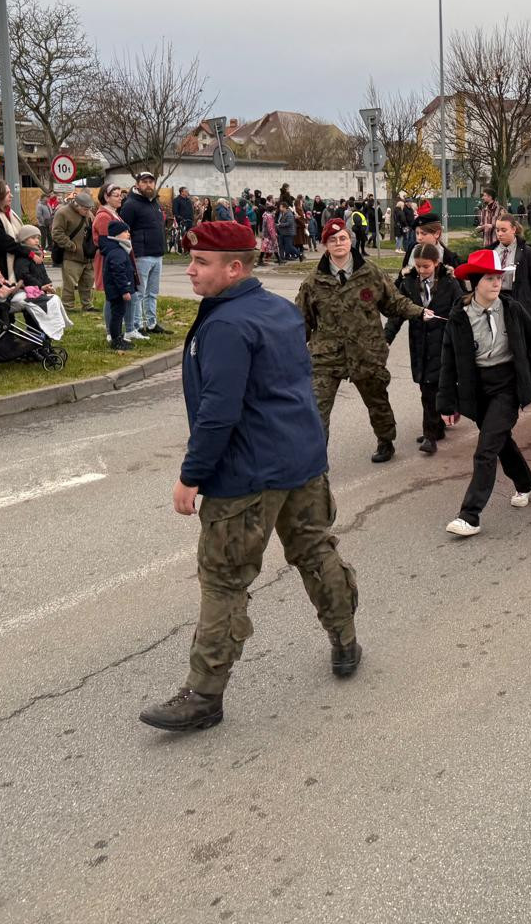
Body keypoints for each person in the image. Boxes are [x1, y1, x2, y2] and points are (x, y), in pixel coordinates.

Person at [139, 220, 361, 733]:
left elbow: (219, 412)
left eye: (201, 263)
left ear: (235, 268)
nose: (190, 271)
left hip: (247, 476)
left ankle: (204, 695)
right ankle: (345, 642)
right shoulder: (278, 309)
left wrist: (190, 477)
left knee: (223, 580)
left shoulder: (226, 326)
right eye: (190, 261)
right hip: (302, 461)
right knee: (316, 551)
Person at [436, 249, 531, 537]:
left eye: (499, 278)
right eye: (491, 278)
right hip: (477, 388)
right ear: (475, 282)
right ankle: (526, 483)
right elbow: (449, 362)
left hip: (507, 385)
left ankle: (470, 515)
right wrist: (446, 403)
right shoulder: (460, 316)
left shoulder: (511, 308)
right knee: (501, 441)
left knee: (486, 449)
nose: (497, 283)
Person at [296, 218, 429, 461]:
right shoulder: (313, 282)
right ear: (325, 244)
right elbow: (301, 322)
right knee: (316, 411)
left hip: (366, 352)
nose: (339, 243)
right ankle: (315, 464)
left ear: (351, 241)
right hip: (327, 357)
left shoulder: (370, 272)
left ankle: (385, 440)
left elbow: (393, 302)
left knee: (377, 401)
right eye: (332, 240)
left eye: (343, 238)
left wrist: (419, 311)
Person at [385, 243, 462, 456]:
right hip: (419, 342)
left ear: (436, 263)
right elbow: (398, 313)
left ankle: (430, 436)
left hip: (443, 342)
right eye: (418, 266)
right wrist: (387, 338)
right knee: (425, 386)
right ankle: (436, 427)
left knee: (431, 389)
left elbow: (460, 310)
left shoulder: (449, 282)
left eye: (426, 266)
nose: (421, 271)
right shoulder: (408, 283)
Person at [117, 172, 168, 337]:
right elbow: (124, 229)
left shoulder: (154, 202)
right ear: (137, 184)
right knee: (139, 293)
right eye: (144, 182)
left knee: (152, 293)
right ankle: (137, 325)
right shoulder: (131, 204)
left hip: (157, 253)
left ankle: (152, 324)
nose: (148, 185)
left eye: (151, 182)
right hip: (141, 255)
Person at [50, 189, 96, 312]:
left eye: (89, 209)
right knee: (69, 284)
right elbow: (56, 233)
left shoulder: (89, 214)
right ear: (77, 205)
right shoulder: (63, 213)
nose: (88, 212)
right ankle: (67, 306)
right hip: (71, 256)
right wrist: (71, 246)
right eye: (85, 209)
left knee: (88, 282)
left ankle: (87, 305)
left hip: (87, 256)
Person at [100, 220, 139, 352]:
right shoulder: (117, 251)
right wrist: (125, 290)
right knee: (117, 315)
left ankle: (118, 337)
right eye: (125, 232)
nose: (128, 234)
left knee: (119, 313)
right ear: (117, 235)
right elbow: (118, 272)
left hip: (116, 289)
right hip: (117, 290)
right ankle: (116, 339)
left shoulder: (119, 249)